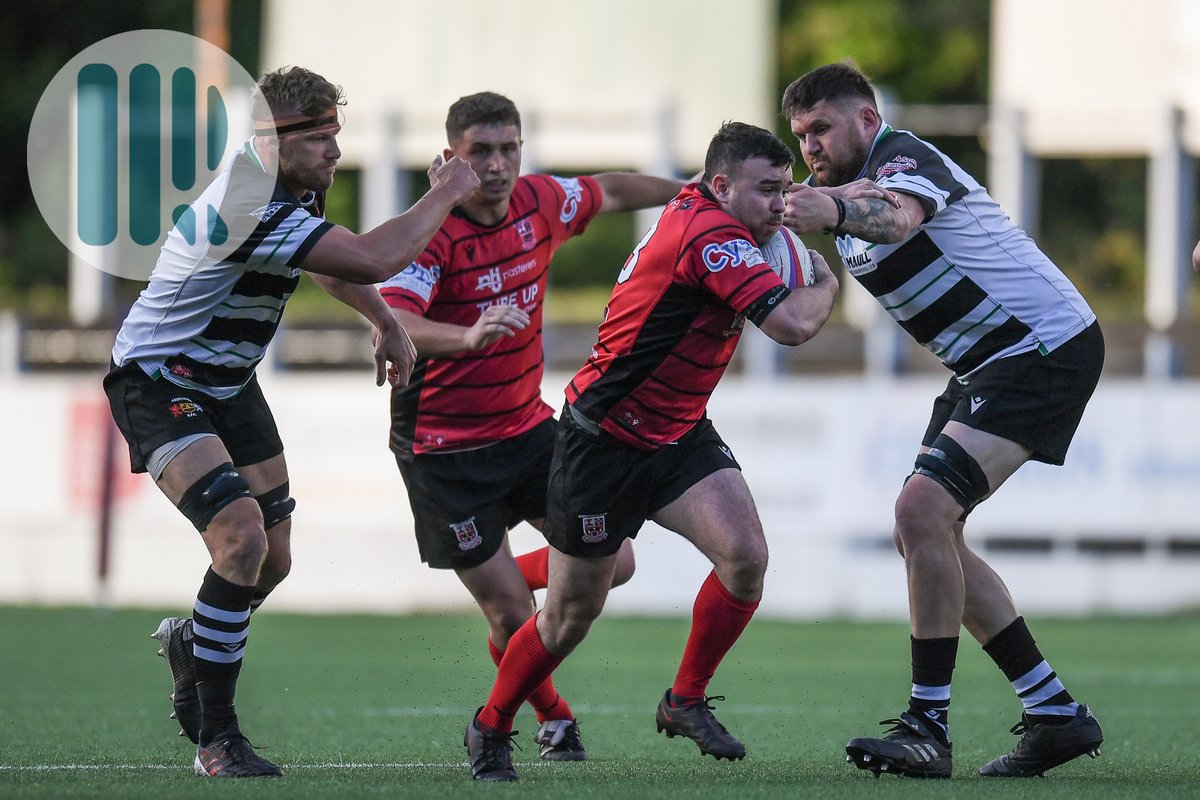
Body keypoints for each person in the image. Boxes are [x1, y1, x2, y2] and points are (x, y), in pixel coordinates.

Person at [103, 66, 479, 778]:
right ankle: (218, 740)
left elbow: (333, 266)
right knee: (239, 539)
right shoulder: (247, 201)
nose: (336, 151)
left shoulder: (291, 186)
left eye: (338, 135)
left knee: (272, 559)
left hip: (228, 382)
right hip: (159, 379)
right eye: (321, 139)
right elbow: (375, 254)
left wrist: (386, 319)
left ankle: (194, 643)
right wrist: (446, 194)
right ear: (273, 141)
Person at [460, 121, 841, 781]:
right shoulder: (713, 238)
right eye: (766, 190)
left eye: (785, 189)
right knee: (573, 614)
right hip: (604, 440)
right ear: (720, 186)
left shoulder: (731, 223)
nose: (780, 205)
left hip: (678, 431)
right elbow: (791, 326)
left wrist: (789, 244)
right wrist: (827, 285)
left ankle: (684, 700)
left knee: (745, 558)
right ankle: (490, 726)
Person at [781, 61, 1105, 779]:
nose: (811, 147)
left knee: (921, 513)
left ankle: (927, 727)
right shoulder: (830, 196)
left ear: (866, 120)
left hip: (1041, 344)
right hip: (988, 363)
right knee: (927, 528)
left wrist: (827, 211)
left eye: (822, 128)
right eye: (801, 135)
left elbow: (896, 217)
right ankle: (1053, 713)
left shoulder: (904, 159)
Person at [377, 91, 684, 761]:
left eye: (508, 148)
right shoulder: (430, 231)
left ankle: (501, 574)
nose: (496, 164)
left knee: (617, 560)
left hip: (527, 431)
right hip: (443, 451)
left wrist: (690, 194)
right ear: (450, 158)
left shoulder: (541, 201)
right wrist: (467, 335)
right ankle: (556, 720)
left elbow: (608, 188)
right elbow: (395, 323)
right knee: (516, 616)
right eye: (479, 151)